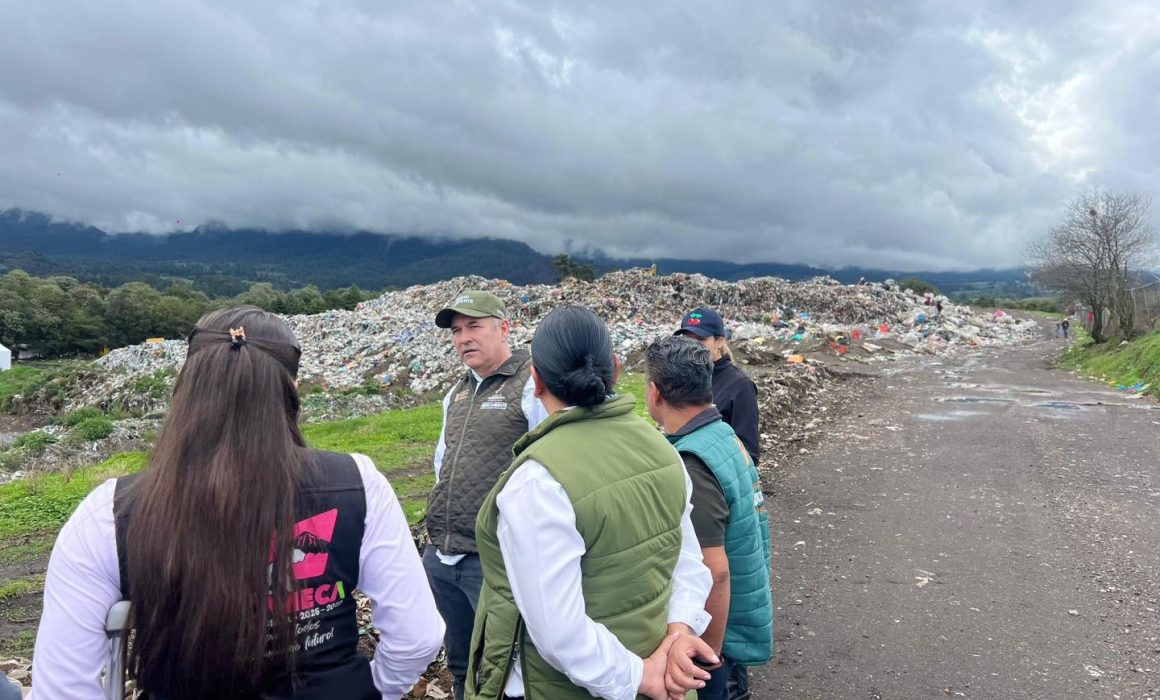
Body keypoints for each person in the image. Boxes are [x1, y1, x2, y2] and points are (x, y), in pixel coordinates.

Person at [30, 307, 443, 699]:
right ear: (292, 390)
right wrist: (372, 690)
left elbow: (65, 686)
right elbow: (417, 635)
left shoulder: (110, 511)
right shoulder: (358, 483)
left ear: (186, 388)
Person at [465, 306, 717, 700]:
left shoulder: (537, 481)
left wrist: (640, 677)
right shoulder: (664, 449)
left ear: (536, 380)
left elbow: (558, 630)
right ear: (615, 369)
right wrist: (679, 630)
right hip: (663, 675)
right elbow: (687, 562)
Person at [426, 290, 548, 700]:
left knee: (504, 672)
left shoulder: (531, 386)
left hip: (493, 562)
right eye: (457, 331)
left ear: (504, 328)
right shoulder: (456, 394)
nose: (464, 338)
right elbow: (442, 464)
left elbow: (549, 469)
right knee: (461, 665)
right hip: (444, 557)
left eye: (474, 327)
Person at [645, 336, 773, 700]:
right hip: (742, 613)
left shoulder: (692, 461)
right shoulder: (722, 435)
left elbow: (713, 570)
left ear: (654, 393)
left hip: (720, 634)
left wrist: (707, 658)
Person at [675, 307, 761, 465]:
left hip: (716, 480)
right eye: (687, 340)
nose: (692, 346)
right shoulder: (683, 379)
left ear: (719, 341)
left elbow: (749, 453)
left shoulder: (740, 385)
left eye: (700, 339)